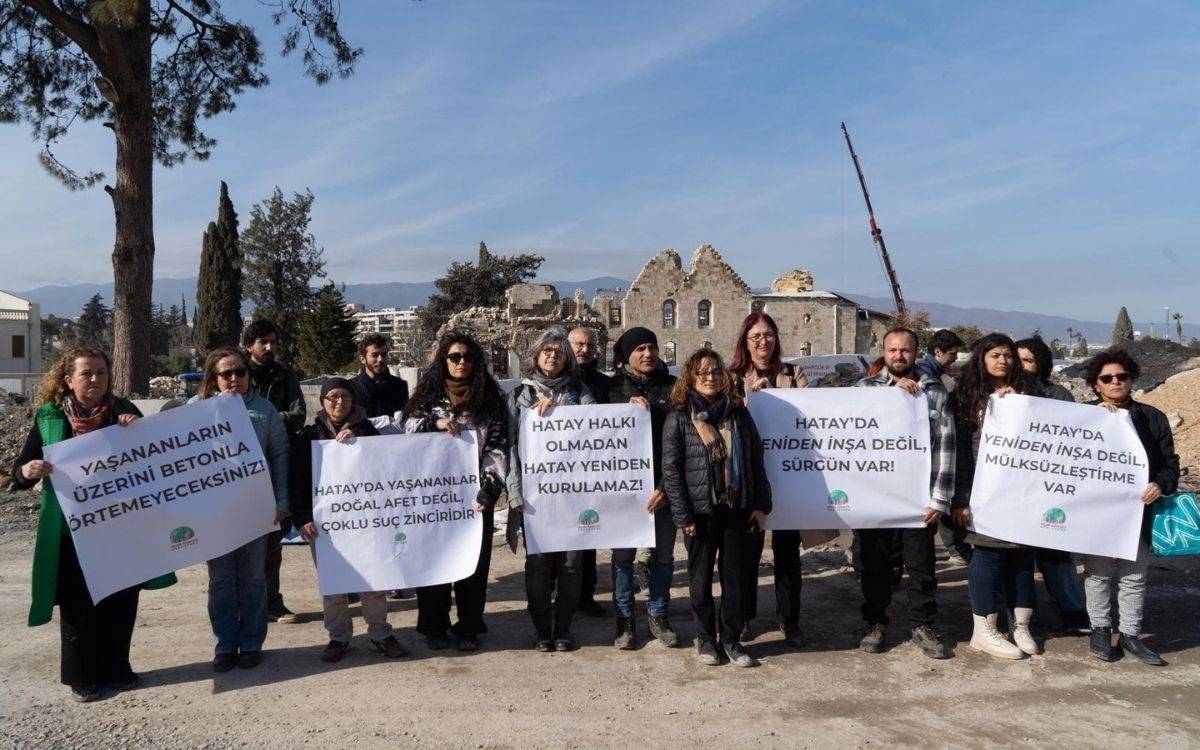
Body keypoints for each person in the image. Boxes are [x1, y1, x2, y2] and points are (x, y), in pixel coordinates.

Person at [13, 347, 176, 702]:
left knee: (122, 600)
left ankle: (116, 667)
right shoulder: (50, 417)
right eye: (86, 373)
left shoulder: (123, 411)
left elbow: (154, 460)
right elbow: (21, 470)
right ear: (68, 380)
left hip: (122, 528)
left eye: (101, 373)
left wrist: (138, 430)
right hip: (72, 532)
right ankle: (82, 676)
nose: (95, 379)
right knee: (77, 604)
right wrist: (27, 470)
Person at [854, 328, 957, 660]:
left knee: (921, 565)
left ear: (916, 352)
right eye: (892, 350)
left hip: (918, 498)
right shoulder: (864, 389)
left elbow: (945, 446)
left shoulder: (935, 392)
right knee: (875, 564)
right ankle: (875, 622)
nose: (898, 356)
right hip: (877, 497)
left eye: (905, 350)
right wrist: (892, 398)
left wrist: (940, 498)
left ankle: (922, 624)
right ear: (883, 352)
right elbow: (851, 438)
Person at [664, 349, 772, 667]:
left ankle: (731, 639)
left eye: (715, 371)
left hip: (736, 508)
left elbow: (755, 458)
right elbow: (672, 470)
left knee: (735, 580)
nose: (709, 377)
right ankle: (706, 639)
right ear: (690, 377)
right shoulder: (679, 417)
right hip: (700, 514)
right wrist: (683, 516)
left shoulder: (738, 413)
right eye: (702, 372)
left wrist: (761, 504)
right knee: (699, 583)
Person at [403, 333, 508, 652]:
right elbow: (405, 428)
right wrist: (434, 423)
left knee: (473, 564)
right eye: (455, 357)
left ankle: (468, 626)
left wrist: (489, 487)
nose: (462, 362)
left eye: (468, 357)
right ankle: (434, 626)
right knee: (434, 561)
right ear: (443, 361)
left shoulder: (490, 400)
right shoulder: (427, 397)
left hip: (474, 498)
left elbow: (498, 446)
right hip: (433, 497)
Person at [290, 377, 406, 662]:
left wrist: (359, 441)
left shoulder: (368, 431)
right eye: (333, 397)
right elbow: (298, 481)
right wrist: (302, 518)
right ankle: (339, 637)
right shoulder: (310, 436)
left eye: (345, 396)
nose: (339, 402)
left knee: (373, 580)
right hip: (325, 526)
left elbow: (385, 467)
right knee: (334, 584)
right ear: (323, 402)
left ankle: (380, 633)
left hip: (365, 522)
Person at [191, 347, 291, 671]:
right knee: (221, 580)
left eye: (240, 372)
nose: (234, 378)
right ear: (213, 378)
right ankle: (224, 644)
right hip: (214, 513)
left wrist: (282, 502)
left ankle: (251, 642)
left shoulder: (265, 410)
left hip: (255, 509)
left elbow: (279, 456)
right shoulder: (194, 410)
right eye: (226, 374)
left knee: (253, 578)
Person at [1080, 348, 1179, 666]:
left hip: (1138, 511)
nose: (1115, 382)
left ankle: (1130, 635)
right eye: (1107, 378)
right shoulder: (1082, 416)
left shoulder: (1153, 418)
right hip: (1097, 511)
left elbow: (1169, 465)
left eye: (1121, 376)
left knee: (1134, 575)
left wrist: (1159, 485)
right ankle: (1100, 630)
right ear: (1096, 384)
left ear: (1132, 379)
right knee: (1098, 573)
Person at [506, 327, 596, 651]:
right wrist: (515, 491)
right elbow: (511, 446)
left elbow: (595, 430)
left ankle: (564, 628)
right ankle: (542, 628)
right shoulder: (520, 395)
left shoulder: (580, 392)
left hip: (573, 495)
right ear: (536, 356)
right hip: (536, 497)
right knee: (539, 565)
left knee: (571, 565)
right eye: (547, 351)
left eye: (559, 352)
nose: (553, 356)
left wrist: (560, 412)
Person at [950, 333, 1039, 660]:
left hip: (1021, 491)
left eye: (1008, 355)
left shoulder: (1030, 392)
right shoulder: (964, 396)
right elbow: (959, 449)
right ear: (981, 359)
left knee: (1021, 556)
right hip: (982, 492)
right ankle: (984, 629)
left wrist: (1019, 405)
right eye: (995, 355)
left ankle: (1020, 625)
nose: (1003, 361)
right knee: (987, 554)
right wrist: (960, 499)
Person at [728, 311, 806, 648]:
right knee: (747, 554)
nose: (763, 341)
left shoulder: (793, 373)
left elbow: (812, 414)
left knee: (788, 555)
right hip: (749, 481)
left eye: (768, 334)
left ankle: (790, 620)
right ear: (745, 342)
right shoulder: (733, 378)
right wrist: (750, 399)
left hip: (788, 477)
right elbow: (726, 422)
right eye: (756, 336)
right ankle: (744, 617)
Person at [608, 326, 680, 650]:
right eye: (640, 349)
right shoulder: (610, 391)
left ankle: (658, 614)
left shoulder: (674, 389)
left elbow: (680, 443)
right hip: (624, 492)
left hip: (663, 491)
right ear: (626, 356)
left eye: (652, 347)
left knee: (663, 557)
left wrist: (665, 487)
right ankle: (624, 620)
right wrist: (623, 408)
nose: (648, 354)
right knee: (623, 558)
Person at [1015, 335, 1091, 636]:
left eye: (1028, 360)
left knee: (1055, 553)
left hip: (1051, 487)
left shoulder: (1059, 395)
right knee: (1017, 556)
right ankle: (1022, 613)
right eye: (1017, 359)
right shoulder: (1004, 395)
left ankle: (1072, 610)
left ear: (1041, 363)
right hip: (1016, 488)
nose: (1021, 365)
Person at [242, 319, 305, 625]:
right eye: (263, 342)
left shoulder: (285, 376)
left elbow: (298, 415)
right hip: (239, 469)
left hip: (277, 462)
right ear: (248, 346)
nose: (270, 347)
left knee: (272, 541)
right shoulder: (238, 375)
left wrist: (263, 419)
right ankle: (243, 605)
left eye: (274, 342)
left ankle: (272, 602)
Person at [568, 325, 610, 617]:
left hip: (593, 470)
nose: (585, 350)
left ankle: (585, 594)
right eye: (579, 344)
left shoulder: (604, 384)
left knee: (588, 533)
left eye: (590, 345)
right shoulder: (556, 380)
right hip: (559, 471)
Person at [352, 332, 410, 421]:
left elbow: (403, 420)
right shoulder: (351, 387)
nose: (380, 359)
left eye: (384, 354)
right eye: (374, 355)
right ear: (363, 359)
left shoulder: (399, 386)